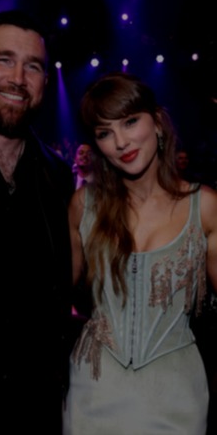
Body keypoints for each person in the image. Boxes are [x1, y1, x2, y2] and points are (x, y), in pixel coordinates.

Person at [63, 71, 217, 434]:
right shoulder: (84, 206)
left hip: (176, 388)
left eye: (130, 122)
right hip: (95, 384)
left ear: (158, 123)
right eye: (104, 132)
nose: (120, 141)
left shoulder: (205, 206)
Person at [0, 9, 76, 433]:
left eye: (34, 66)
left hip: (41, 396)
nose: (19, 77)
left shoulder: (58, 178)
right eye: (3, 59)